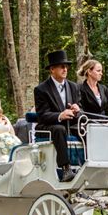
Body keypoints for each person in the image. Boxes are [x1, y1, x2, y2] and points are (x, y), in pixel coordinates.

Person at [34, 50, 81, 182]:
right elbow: (42, 115)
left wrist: (78, 110)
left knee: (87, 129)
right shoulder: (41, 89)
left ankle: (88, 164)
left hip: (70, 124)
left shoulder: (74, 87)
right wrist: (60, 115)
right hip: (48, 126)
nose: (65, 69)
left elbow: (80, 110)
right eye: (61, 66)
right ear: (52, 69)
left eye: (66, 66)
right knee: (59, 129)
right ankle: (66, 168)